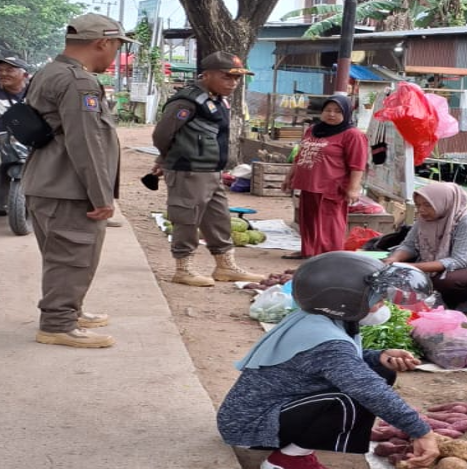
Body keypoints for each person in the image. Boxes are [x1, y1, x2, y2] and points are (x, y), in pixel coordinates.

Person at [217, 252, 440, 469]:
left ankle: (303, 441)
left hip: (258, 413)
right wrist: (421, 432)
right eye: (377, 298)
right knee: (354, 399)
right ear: (345, 301)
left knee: (380, 372)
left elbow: (318, 362)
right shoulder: (328, 342)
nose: (381, 304)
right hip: (250, 428)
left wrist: (378, 357)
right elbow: (367, 388)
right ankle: (288, 459)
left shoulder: (318, 319)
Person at [21, 14, 135, 348]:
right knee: (72, 258)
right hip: (67, 187)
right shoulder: (77, 82)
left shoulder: (49, 71)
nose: (115, 54)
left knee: (64, 255)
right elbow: (86, 142)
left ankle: (70, 311)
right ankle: (57, 324)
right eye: (116, 46)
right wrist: (102, 196)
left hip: (47, 181)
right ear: (103, 42)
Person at [151, 51, 264, 287]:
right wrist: (166, 158)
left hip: (211, 171)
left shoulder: (216, 98)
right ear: (207, 74)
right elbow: (162, 134)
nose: (233, 83)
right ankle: (184, 268)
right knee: (187, 218)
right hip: (189, 170)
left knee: (218, 217)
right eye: (227, 77)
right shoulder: (188, 100)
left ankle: (225, 266)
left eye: (236, 78)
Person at [383, 182, 467, 310]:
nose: (421, 210)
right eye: (418, 205)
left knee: (443, 281)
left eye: (427, 205)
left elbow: (460, 260)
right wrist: (394, 259)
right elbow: (409, 245)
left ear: (444, 203)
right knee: (396, 269)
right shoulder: (424, 219)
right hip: (444, 258)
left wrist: (412, 267)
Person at [280, 95, 368, 259]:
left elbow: (357, 164)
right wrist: (289, 177)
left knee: (329, 223)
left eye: (337, 111)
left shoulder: (353, 135)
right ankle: (309, 251)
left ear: (346, 114)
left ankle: (329, 257)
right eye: (328, 110)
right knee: (308, 220)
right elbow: (300, 156)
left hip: (332, 186)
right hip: (308, 183)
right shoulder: (312, 130)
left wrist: (353, 188)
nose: (331, 114)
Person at [0, 55, 30, 216]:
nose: (3, 73)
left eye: (10, 70)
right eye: (1, 70)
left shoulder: (36, 91)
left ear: (24, 74)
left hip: (34, 140)